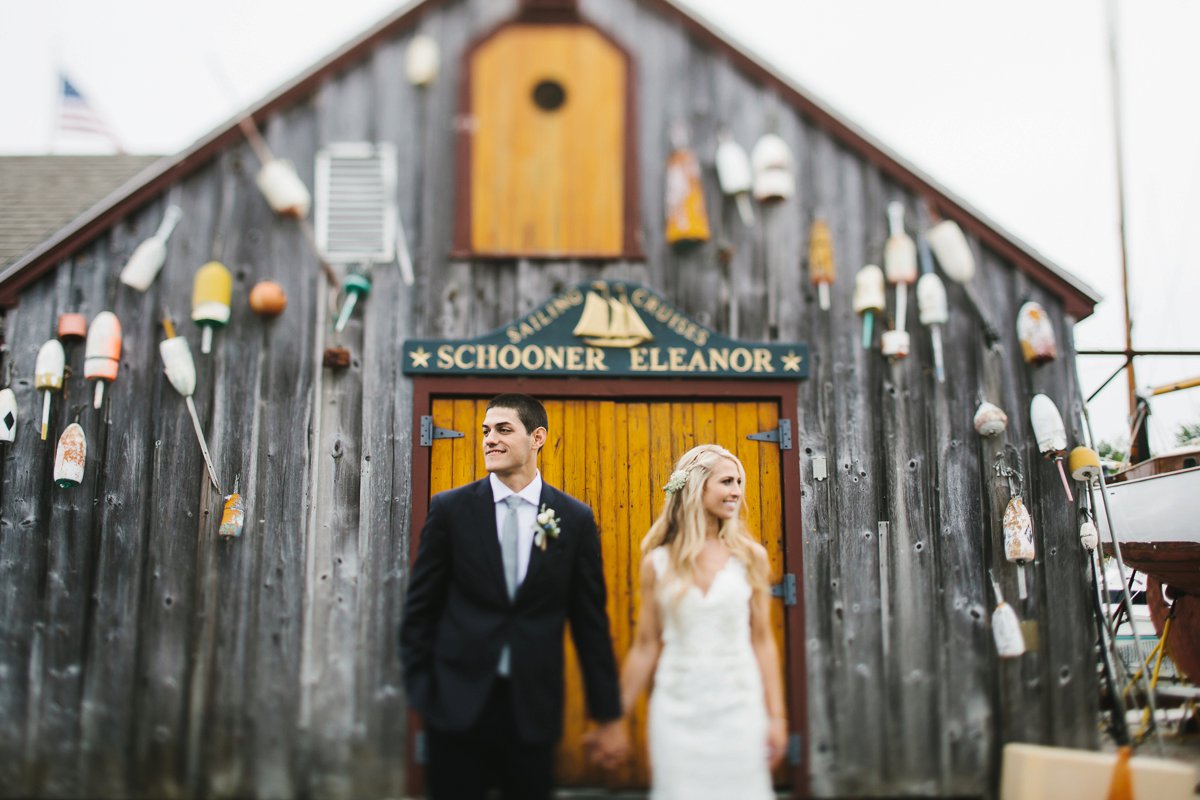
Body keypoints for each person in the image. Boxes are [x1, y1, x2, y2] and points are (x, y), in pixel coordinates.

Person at [399, 393, 629, 799]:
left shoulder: (574, 519)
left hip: (532, 706)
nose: (490, 439)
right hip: (455, 703)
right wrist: (424, 691)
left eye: (504, 430)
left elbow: (590, 623)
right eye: (486, 431)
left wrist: (608, 714)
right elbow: (421, 608)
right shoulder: (451, 510)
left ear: (537, 437)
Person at [619, 443, 788, 799]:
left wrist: (777, 717)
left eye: (739, 482)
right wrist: (615, 717)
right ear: (697, 487)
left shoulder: (751, 558)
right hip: (677, 707)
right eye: (727, 481)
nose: (737, 492)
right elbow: (646, 644)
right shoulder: (657, 563)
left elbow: (762, 641)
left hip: (739, 706)